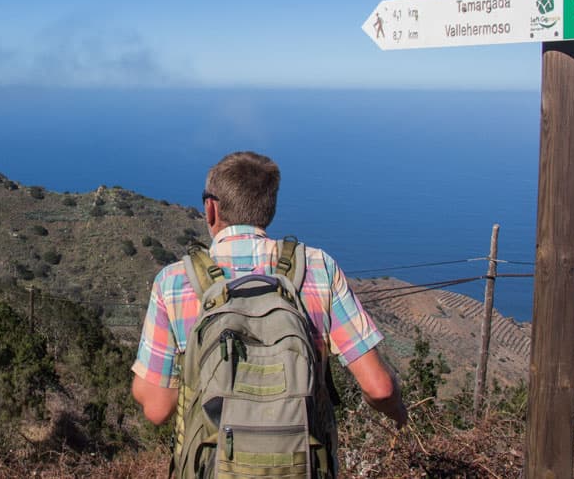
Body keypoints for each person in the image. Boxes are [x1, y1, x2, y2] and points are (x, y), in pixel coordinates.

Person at [131, 151, 407, 461]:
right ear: (269, 209)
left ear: (211, 209)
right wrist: (400, 416)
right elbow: (379, 388)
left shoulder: (175, 282)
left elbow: (157, 409)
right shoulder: (318, 268)